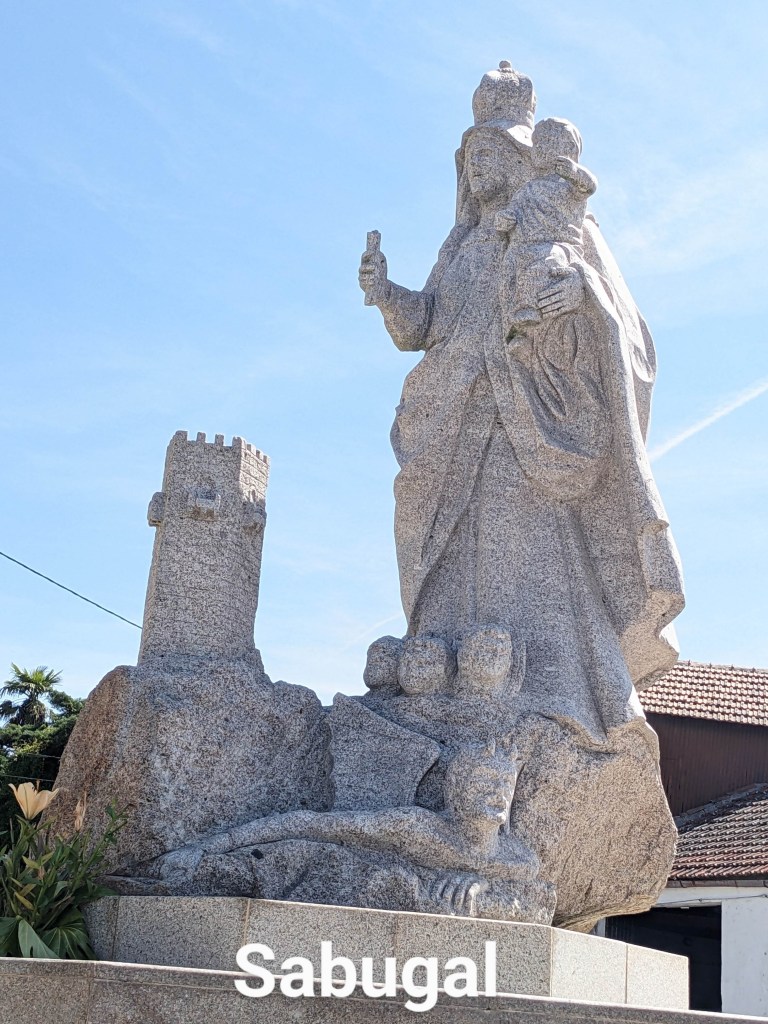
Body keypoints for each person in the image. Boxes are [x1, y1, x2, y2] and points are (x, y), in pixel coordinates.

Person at [359, 62, 684, 743]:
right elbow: (424, 326)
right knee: (448, 552)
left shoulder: (561, 223)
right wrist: (386, 294)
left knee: (527, 550)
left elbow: (629, 329)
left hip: (531, 423)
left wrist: (581, 296)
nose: (478, 166)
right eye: (470, 155)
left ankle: (555, 693)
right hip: (449, 422)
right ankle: (440, 672)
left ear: (517, 155)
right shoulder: (459, 244)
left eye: (491, 151)